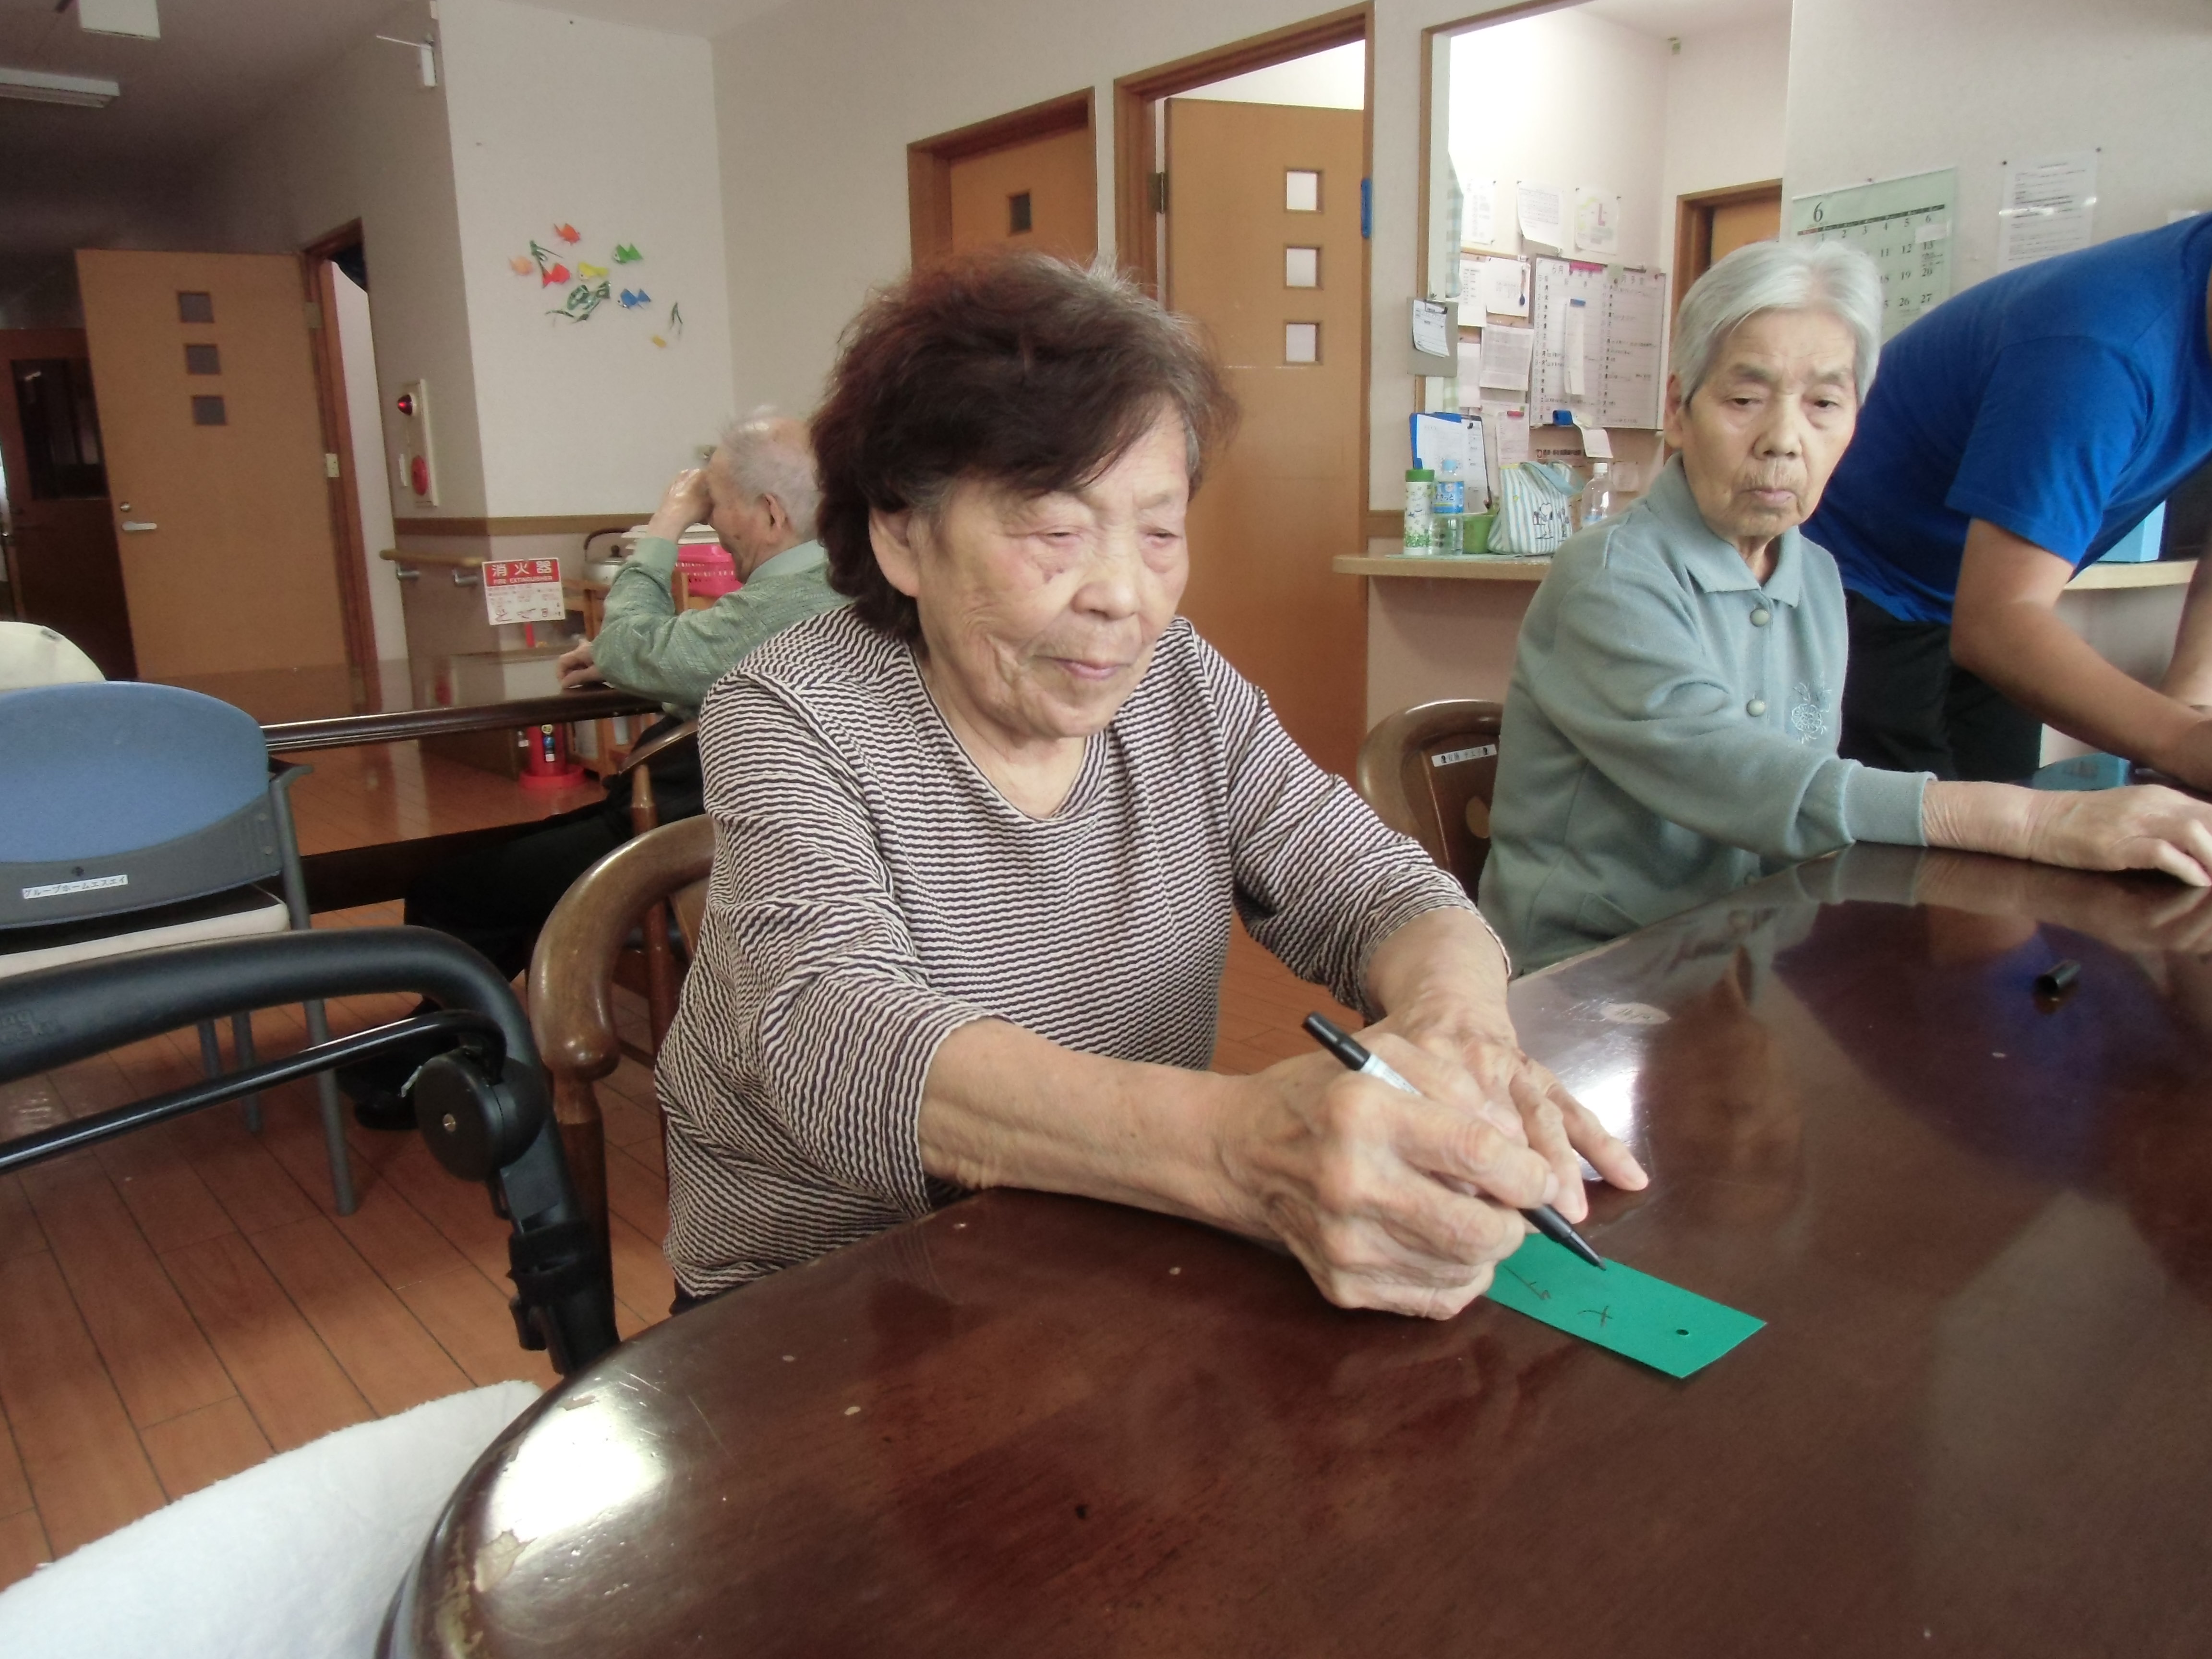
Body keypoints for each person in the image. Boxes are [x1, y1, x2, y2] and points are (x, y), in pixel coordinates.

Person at [655, 251, 1648, 1315]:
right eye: (1055, 529)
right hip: (828, 1303)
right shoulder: (791, 708)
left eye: (1161, 530)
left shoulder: (1178, 683)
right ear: (902, 534)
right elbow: (829, 1028)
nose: (1125, 596)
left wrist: (1461, 1027)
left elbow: (1376, 885)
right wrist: (1236, 1143)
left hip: (1111, 1256)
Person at [1479, 240, 2212, 974]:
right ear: (1678, 409)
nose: (1783, 441)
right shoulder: (1608, 578)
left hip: (1740, 966)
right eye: (1744, 400)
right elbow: (1744, 779)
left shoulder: (1817, 576)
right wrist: (2035, 820)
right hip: (1589, 981)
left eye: (1824, 405)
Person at [341, 417, 842, 1127]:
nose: (714, 525)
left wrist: (667, 523)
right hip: (761, 822)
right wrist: (634, 660)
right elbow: (704, 660)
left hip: (697, 836)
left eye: (718, 506)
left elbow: (635, 643)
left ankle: (446, 1065)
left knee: (450, 891)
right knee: (514, 875)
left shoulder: (782, 604)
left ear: (769, 513)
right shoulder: (846, 583)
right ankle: (439, 1052)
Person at [1804, 216, 2212, 784]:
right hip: (1859, 573)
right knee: (1901, 826)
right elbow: (1996, 625)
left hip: (1982, 591)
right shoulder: (2100, 352)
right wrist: (2180, 741)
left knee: (2012, 802)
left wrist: (2191, 715)